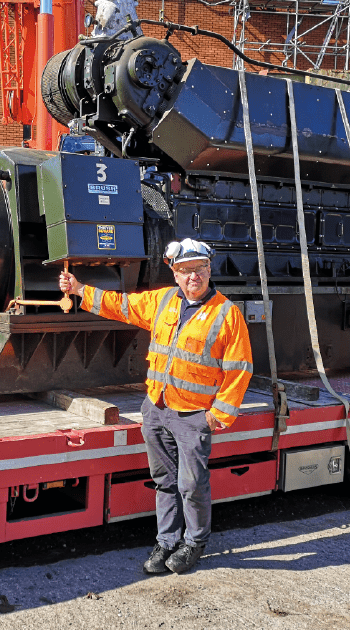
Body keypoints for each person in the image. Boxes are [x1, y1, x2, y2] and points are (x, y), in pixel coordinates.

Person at [59, 238, 252, 574]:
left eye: (200, 269)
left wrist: (216, 418)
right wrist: (78, 289)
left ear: (210, 269)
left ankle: (194, 543)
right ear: (174, 274)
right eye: (185, 270)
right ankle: (166, 541)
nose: (194, 276)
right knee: (164, 480)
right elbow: (120, 305)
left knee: (191, 485)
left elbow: (240, 370)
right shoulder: (163, 301)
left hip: (194, 416)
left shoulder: (227, 314)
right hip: (157, 408)